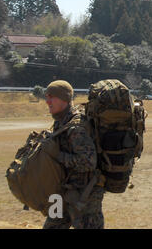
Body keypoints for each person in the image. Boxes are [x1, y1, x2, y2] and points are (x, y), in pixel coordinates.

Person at [40, 80, 105, 229]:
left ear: (65, 99)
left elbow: (88, 162)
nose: (47, 101)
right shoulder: (61, 123)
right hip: (62, 193)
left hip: (84, 197)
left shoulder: (76, 128)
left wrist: (58, 155)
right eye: (46, 96)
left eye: (52, 97)